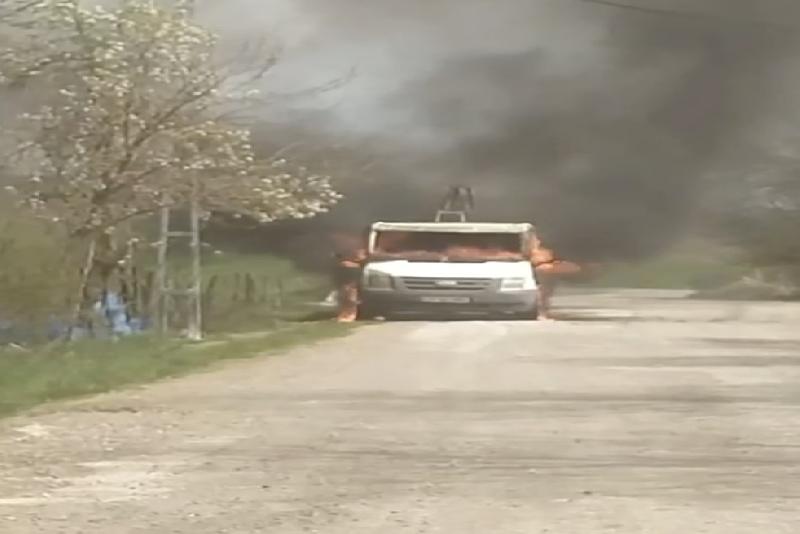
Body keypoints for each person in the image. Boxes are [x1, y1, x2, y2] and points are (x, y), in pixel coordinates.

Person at [529, 237, 580, 321]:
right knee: (543, 292)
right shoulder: (537, 251)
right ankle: (541, 314)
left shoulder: (543, 251)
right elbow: (538, 261)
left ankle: (543, 313)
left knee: (546, 292)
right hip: (543, 270)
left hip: (548, 270)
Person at [332, 236, 368, 323]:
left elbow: (362, 258)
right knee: (344, 294)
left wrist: (354, 259)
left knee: (351, 295)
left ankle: (351, 314)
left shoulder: (361, 249)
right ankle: (343, 314)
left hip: (353, 271)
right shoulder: (344, 249)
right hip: (344, 272)